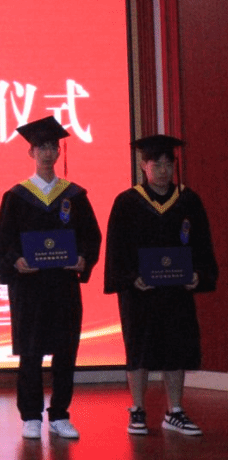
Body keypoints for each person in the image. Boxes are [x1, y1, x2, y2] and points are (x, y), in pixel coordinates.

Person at [0, 117, 101, 440]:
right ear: (31, 152)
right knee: (31, 352)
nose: (48, 153)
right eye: (42, 147)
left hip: (63, 285)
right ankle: (30, 416)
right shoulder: (16, 196)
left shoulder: (74, 195)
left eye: (53, 147)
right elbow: (4, 242)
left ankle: (60, 414)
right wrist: (16, 260)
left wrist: (83, 258)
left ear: (59, 151)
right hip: (29, 287)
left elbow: (91, 236)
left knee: (65, 352)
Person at [104, 134, 217, 436]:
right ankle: (138, 409)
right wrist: (131, 278)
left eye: (169, 163)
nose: (164, 170)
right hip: (139, 293)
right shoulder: (127, 202)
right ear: (144, 166)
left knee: (176, 348)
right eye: (157, 164)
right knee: (138, 349)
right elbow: (116, 250)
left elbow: (202, 244)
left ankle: (175, 411)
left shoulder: (188, 200)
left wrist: (199, 274)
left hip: (176, 292)